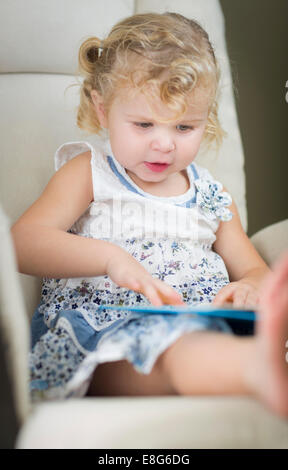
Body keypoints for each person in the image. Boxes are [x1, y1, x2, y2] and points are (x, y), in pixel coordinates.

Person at [10, 12, 287, 417]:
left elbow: (255, 270)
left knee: (222, 336)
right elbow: (22, 241)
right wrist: (111, 258)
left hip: (208, 324)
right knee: (173, 348)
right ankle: (256, 371)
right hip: (104, 334)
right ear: (103, 111)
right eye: (144, 124)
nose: (163, 145)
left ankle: (253, 363)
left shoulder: (211, 196)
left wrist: (249, 288)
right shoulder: (90, 174)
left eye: (184, 127)